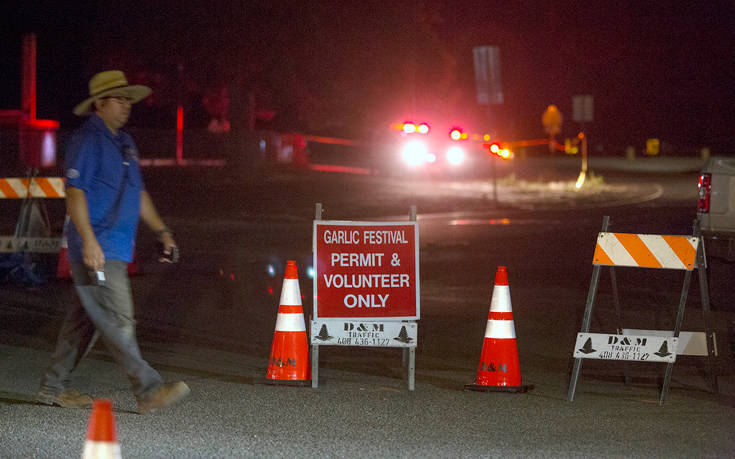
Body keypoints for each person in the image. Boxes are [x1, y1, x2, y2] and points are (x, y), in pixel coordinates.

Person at [37, 70, 189, 414]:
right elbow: (74, 193)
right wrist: (89, 241)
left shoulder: (125, 142)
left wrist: (162, 231)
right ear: (99, 105)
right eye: (119, 99)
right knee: (119, 319)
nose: (126, 106)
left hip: (117, 247)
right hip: (98, 248)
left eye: (128, 99)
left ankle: (53, 387)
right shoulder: (87, 140)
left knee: (85, 319)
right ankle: (148, 392)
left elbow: (139, 193)